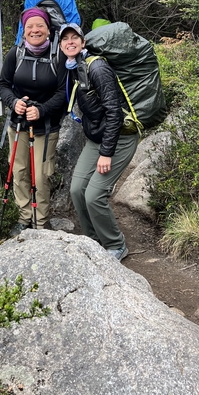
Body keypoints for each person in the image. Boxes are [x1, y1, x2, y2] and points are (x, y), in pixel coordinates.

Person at [59, 22, 139, 261]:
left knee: (94, 195)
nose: (70, 42)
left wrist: (106, 153)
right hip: (97, 137)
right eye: (65, 39)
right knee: (76, 190)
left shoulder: (98, 68)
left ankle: (116, 245)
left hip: (120, 139)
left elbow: (114, 112)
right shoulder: (74, 67)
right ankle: (94, 241)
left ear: (84, 43)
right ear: (61, 45)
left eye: (75, 38)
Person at [0, 7, 67, 235]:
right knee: (19, 171)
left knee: (41, 175)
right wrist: (13, 102)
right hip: (18, 125)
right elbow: (3, 85)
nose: (35, 30)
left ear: (48, 29)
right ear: (23, 31)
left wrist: (42, 110)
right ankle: (25, 217)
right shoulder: (15, 54)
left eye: (40, 26)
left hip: (46, 127)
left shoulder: (59, 56)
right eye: (30, 27)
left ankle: (41, 221)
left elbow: (64, 93)